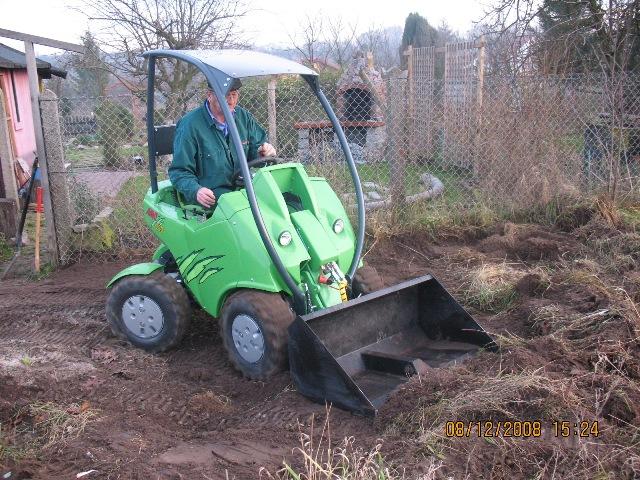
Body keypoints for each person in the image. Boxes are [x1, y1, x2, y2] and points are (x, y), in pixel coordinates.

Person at [169, 79, 276, 208]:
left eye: (234, 95)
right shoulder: (189, 126)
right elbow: (179, 171)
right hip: (212, 194)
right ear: (209, 95)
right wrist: (196, 191)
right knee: (244, 211)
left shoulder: (244, 117)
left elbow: (257, 148)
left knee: (279, 197)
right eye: (225, 95)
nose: (231, 100)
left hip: (243, 186)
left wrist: (264, 152)